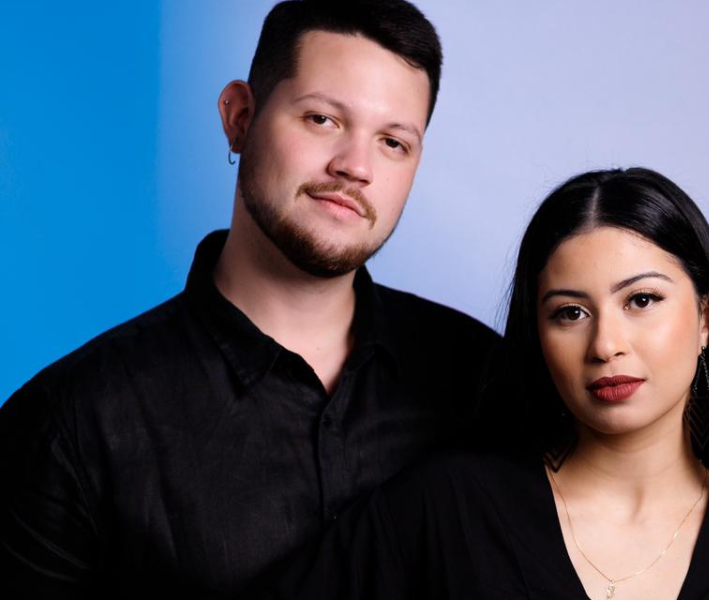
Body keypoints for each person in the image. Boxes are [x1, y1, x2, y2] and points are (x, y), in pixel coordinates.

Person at [0, 1, 497, 596]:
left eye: (393, 142)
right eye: (322, 119)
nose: (356, 167)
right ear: (239, 117)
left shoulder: (485, 379)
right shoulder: (70, 425)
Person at [257, 168, 709, 599]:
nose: (605, 344)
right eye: (570, 313)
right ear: (536, 334)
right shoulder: (450, 507)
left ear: (706, 317)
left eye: (641, 300)